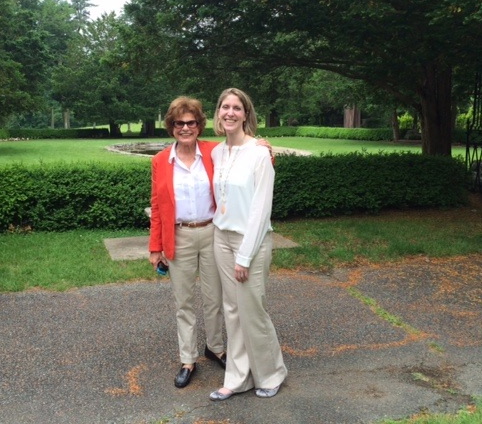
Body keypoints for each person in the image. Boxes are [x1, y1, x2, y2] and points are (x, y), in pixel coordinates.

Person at [209, 88, 288, 401]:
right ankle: (238, 377)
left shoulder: (260, 154)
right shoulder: (217, 152)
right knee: (232, 310)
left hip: (250, 242)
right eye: (225, 107)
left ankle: (271, 373)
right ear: (218, 114)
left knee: (252, 308)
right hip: (221, 237)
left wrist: (244, 256)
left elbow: (260, 210)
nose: (230, 112)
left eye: (236, 108)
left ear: (246, 114)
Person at [149, 96, 227, 389]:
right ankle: (188, 359)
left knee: (214, 297)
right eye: (179, 123)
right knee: (184, 302)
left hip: (212, 233)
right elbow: (157, 206)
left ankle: (216, 347)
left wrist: (264, 148)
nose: (185, 128)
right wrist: (155, 247)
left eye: (191, 122)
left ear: (199, 125)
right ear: (171, 126)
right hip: (178, 236)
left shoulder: (214, 152)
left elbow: (245, 160)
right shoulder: (160, 161)